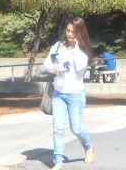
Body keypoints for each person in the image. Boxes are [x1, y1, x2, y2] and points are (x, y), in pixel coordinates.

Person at [43, 17, 96, 169]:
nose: (70, 34)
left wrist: (74, 49)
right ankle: (58, 162)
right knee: (58, 128)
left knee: (76, 128)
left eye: (73, 31)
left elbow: (80, 68)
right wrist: (54, 68)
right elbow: (47, 63)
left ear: (80, 32)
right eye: (68, 30)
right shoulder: (58, 46)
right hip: (58, 94)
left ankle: (89, 147)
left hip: (75, 95)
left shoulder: (83, 50)